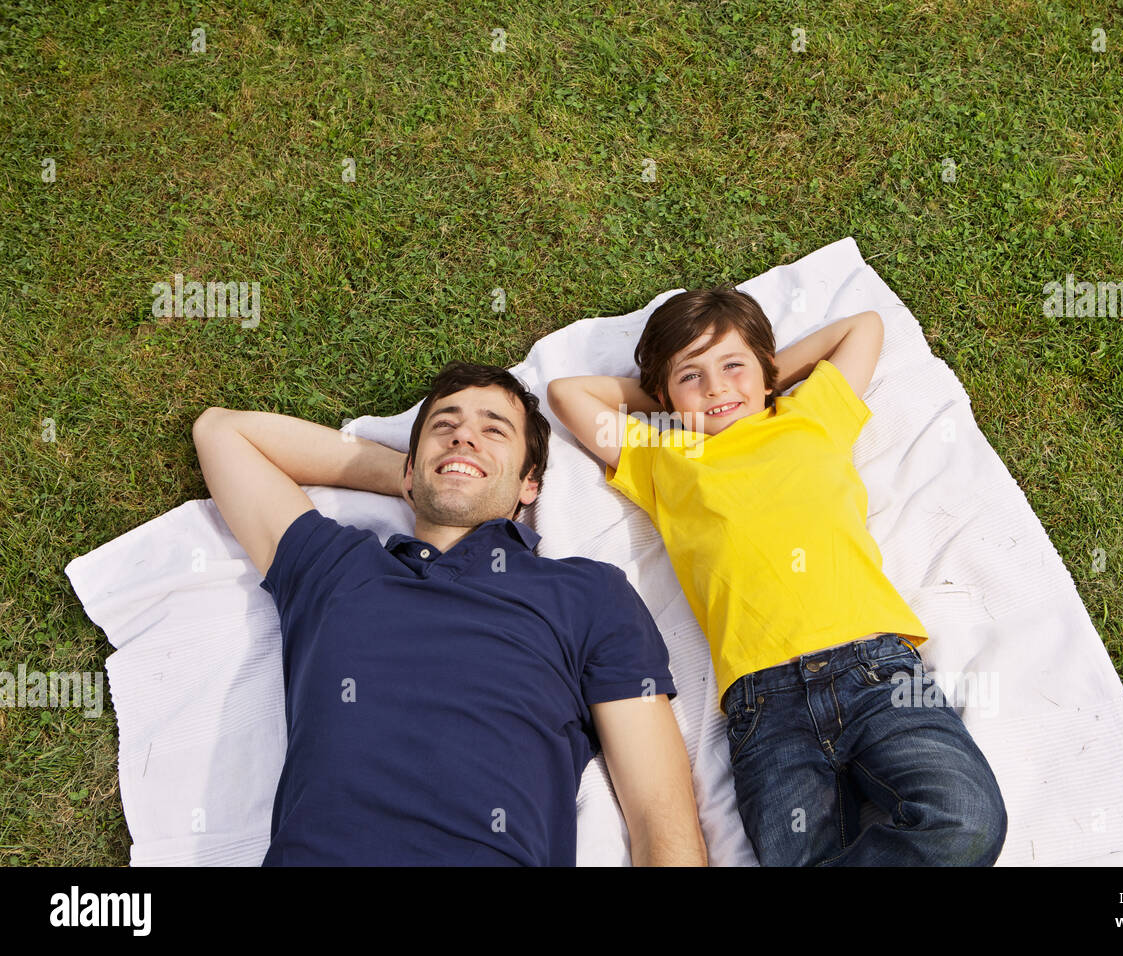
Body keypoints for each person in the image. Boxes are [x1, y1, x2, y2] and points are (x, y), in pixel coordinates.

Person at [548, 286, 1007, 866]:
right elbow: (568, 394)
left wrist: (762, 375)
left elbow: (862, 326)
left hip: (877, 670)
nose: (715, 386)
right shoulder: (662, 459)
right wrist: (668, 396)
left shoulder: (810, 416)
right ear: (665, 397)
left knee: (964, 820)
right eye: (693, 377)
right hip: (764, 708)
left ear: (767, 373)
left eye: (731, 366)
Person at [193, 361, 707, 866]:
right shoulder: (335, 567)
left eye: (493, 430)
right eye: (445, 426)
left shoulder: (587, 592)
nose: (464, 438)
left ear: (531, 484)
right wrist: (414, 476)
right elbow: (222, 432)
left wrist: (442, 468)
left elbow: (659, 814)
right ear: (409, 471)